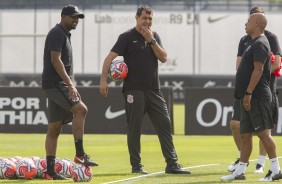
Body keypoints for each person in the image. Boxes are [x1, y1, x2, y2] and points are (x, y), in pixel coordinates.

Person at [99, 6, 190, 175]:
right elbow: (109, 58)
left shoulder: (154, 37)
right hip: (134, 91)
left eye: (150, 19)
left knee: (165, 125)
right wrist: (104, 79)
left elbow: (163, 58)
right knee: (134, 128)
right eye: (144, 19)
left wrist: (151, 40)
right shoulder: (126, 37)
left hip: (154, 90)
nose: (147, 22)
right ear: (136, 18)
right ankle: (136, 166)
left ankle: (172, 164)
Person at [221, 13, 282, 182]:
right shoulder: (251, 42)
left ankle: (276, 170)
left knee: (263, 134)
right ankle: (239, 172)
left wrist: (248, 93)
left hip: (257, 97)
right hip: (246, 97)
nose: (245, 24)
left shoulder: (261, 43)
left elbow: (259, 70)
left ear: (257, 23)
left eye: (248, 21)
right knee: (245, 135)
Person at [42, 4, 98, 180]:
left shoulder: (64, 34)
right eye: (73, 17)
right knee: (81, 109)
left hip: (56, 84)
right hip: (56, 83)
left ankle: (50, 172)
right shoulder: (57, 33)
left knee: (54, 128)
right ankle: (80, 154)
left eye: (78, 18)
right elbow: (55, 60)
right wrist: (70, 85)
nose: (76, 20)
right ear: (63, 16)